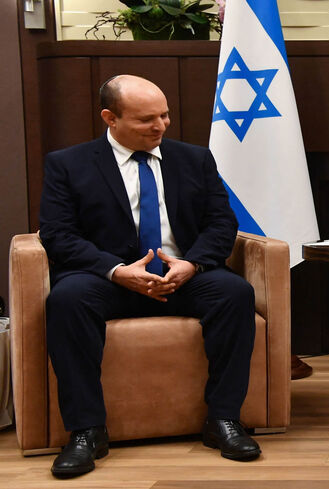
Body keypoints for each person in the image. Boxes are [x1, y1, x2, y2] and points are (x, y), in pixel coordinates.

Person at [39, 75, 261, 478]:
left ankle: (223, 420)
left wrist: (191, 264)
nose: (160, 126)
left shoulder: (195, 159)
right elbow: (58, 234)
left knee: (234, 293)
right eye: (146, 120)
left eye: (164, 115)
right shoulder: (67, 164)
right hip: (107, 279)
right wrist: (117, 271)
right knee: (67, 300)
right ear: (110, 118)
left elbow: (220, 223)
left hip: (182, 275)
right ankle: (87, 431)